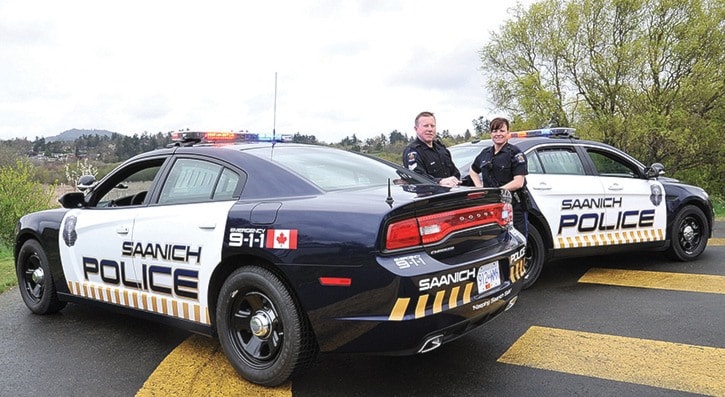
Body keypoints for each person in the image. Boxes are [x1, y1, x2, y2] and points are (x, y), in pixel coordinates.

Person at [468, 117, 529, 237]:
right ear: (491, 134)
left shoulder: (515, 154)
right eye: (495, 131)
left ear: (508, 133)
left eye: (502, 131)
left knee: (517, 240)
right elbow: (473, 170)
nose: (498, 134)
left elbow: (518, 182)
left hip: (513, 207)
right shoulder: (485, 153)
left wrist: (497, 192)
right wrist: (479, 187)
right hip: (491, 208)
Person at [403, 111, 461, 187]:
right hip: (429, 196)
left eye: (432, 126)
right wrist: (439, 181)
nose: (430, 129)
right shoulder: (412, 152)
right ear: (416, 129)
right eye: (426, 126)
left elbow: (455, 174)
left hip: (450, 196)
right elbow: (417, 178)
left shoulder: (441, 149)